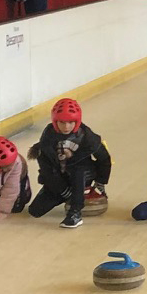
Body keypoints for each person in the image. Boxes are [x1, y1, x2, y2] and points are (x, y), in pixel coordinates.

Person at [27, 97, 111, 229]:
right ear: (55, 121)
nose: (66, 127)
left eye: (71, 122)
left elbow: (104, 159)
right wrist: (62, 190)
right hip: (60, 178)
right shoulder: (47, 138)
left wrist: (101, 181)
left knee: (79, 171)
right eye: (62, 122)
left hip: (83, 176)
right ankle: (69, 195)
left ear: (77, 121)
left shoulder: (87, 137)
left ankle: (75, 213)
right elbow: (46, 169)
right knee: (35, 211)